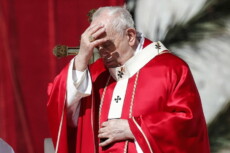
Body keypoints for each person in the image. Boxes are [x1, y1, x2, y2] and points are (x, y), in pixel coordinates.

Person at [47, 6, 210, 153]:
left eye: (108, 45)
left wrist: (133, 128)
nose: (103, 53)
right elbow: (59, 102)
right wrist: (82, 57)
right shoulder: (95, 74)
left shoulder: (171, 69)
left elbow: (188, 125)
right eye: (97, 47)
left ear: (130, 36)